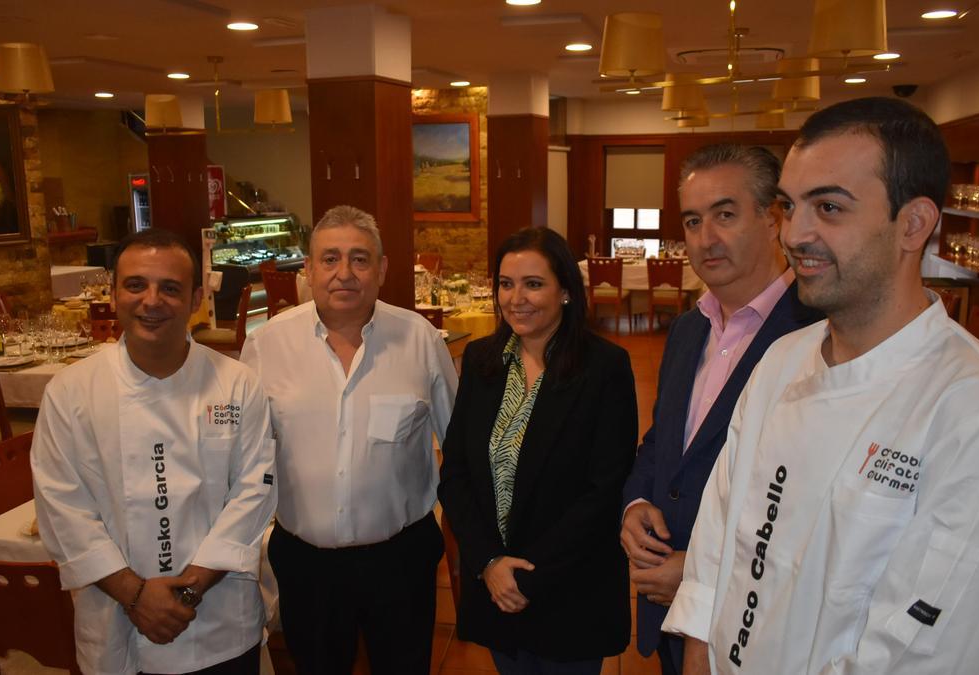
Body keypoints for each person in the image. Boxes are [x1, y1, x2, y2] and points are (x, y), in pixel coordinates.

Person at [663, 97, 979, 674]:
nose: (795, 233)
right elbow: (716, 544)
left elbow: (926, 649)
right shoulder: (782, 361)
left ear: (913, 223)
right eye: (790, 207)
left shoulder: (975, 406)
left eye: (830, 207)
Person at [32, 228, 276, 675]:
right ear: (113, 292)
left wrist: (188, 591)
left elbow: (254, 492)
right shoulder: (71, 392)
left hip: (218, 622)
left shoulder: (236, 384)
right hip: (119, 627)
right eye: (136, 284)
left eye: (170, 288)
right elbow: (61, 506)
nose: (152, 301)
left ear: (196, 298)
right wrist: (135, 594)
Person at [620, 144, 821, 674]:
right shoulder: (689, 330)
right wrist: (635, 503)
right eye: (692, 220)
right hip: (668, 606)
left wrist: (706, 570)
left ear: (774, 219)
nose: (705, 239)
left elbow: (817, 503)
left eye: (725, 215)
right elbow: (663, 443)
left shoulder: (818, 336)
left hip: (756, 627)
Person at [240, 204, 457, 675]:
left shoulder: (420, 341)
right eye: (330, 258)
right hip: (306, 564)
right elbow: (244, 457)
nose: (345, 273)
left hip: (401, 560)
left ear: (381, 270)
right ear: (308, 269)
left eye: (359, 259)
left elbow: (457, 446)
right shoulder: (266, 345)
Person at [438, 226, 638, 675]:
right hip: (496, 590)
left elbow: (604, 491)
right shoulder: (482, 361)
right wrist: (489, 561)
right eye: (506, 284)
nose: (516, 299)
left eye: (533, 284)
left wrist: (529, 576)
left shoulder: (604, 368)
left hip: (569, 592)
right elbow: (455, 474)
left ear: (565, 289)